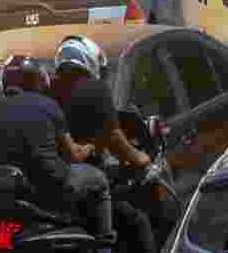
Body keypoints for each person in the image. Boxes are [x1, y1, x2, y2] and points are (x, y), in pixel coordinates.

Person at [0, 55, 116, 246]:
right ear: (38, 79)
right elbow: (75, 155)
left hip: (10, 189)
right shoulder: (48, 106)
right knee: (100, 181)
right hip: (52, 185)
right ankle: (105, 243)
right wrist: (92, 146)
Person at [50, 36, 157, 253]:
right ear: (90, 61)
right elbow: (114, 137)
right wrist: (139, 158)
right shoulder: (94, 88)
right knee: (137, 222)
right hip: (79, 187)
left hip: (47, 187)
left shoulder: (47, 90)